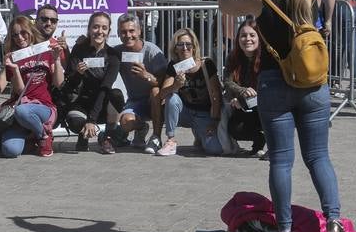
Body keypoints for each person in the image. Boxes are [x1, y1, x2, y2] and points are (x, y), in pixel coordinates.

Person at [218, 0, 354, 232]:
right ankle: (334, 223)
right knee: (319, 157)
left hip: (274, 83)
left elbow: (225, 6)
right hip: (312, 84)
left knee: (281, 160)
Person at [0, 15, 64, 158]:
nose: (20, 38)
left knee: (23, 111)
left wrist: (56, 59)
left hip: (43, 107)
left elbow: (59, 83)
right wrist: (15, 69)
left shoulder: (47, 50)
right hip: (20, 108)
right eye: (15, 35)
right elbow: (18, 90)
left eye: (23, 32)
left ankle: (43, 136)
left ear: (31, 31)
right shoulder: (13, 57)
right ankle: (31, 137)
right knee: (10, 150)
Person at [61, 12, 125, 154]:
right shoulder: (79, 49)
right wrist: (78, 73)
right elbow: (69, 83)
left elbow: (105, 88)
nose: (99, 31)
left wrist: (92, 120)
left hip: (102, 103)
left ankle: (108, 137)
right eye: (95, 27)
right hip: (81, 101)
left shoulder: (113, 55)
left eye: (104, 27)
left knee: (116, 95)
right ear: (89, 29)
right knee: (75, 122)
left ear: (109, 31)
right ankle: (83, 136)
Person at [158, 28, 222, 156]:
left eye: (188, 44)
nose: (184, 48)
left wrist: (214, 122)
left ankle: (199, 134)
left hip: (204, 114)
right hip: (185, 112)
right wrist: (175, 85)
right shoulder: (174, 65)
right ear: (175, 48)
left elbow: (216, 95)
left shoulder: (206, 64)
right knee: (172, 98)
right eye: (180, 45)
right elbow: (162, 94)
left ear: (194, 46)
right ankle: (170, 140)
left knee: (215, 149)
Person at [114, 12, 168, 153]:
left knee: (155, 91)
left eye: (132, 31)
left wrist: (146, 76)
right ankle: (141, 128)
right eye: (123, 32)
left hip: (155, 101)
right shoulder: (118, 52)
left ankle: (156, 137)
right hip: (135, 101)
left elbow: (164, 82)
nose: (128, 35)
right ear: (118, 34)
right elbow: (100, 57)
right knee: (125, 122)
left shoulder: (152, 51)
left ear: (139, 31)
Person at [222, 19, 266, 156]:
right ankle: (259, 140)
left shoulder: (266, 57)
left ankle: (274, 146)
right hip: (244, 103)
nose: (248, 39)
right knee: (235, 129)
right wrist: (241, 93)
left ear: (259, 37)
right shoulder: (233, 56)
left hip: (265, 102)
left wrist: (244, 99)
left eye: (252, 35)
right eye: (243, 35)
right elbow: (227, 81)